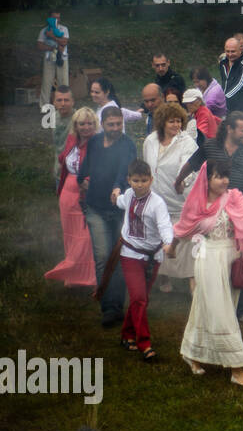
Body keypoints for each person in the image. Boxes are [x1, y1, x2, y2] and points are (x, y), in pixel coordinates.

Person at [169, 160, 243, 386]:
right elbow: (183, 227)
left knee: (206, 307)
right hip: (208, 259)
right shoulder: (196, 201)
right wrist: (171, 247)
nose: (224, 181)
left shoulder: (233, 196)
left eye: (226, 176)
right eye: (219, 176)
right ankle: (237, 369)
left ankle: (192, 352)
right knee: (223, 312)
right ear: (206, 179)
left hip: (231, 258)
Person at [176, 111, 243, 324]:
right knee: (218, 259)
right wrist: (178, 180)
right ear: (229, 129)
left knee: (241, 261)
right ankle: (217, 304)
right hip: (215, 213)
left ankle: (242, 308)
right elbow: (193, 162)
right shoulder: (210, 147)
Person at [109, 160, 174, 362]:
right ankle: (144, 343)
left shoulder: (157, 203)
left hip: (153, 257)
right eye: (135, 181)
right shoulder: (128, 195)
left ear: (151, 180)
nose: (139, 185)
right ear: (129, 180)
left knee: (141, 298)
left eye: (144, 181)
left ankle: (127, 335)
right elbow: (119, 200)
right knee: (139, 298)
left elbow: (165, 226)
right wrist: (115, 196)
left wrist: (168, 242)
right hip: (129, 253)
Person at [80, 105, 137, 325]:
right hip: (95, 207)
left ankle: (115, 306)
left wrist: (117, 187)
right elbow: (87, 166)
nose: (115, 128)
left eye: (119, 124)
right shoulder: (94, 142)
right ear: (102, 125)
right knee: (102, 256)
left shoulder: (127, 145)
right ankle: (108, 306)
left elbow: (125, 169)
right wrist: (82, 179)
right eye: (111, 125)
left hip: (118, 209)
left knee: (118, 257)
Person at [142, 102, 198, 293]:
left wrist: (183, 181)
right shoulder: (150, 141)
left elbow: (188, 165)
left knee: (185, 241)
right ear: (161, 122)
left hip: (179, 201)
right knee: (159, 240)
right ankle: (163, 277)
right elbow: (147, 168)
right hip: (156, 200)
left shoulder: (187, 142)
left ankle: (193, 283)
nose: (176, 125)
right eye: (171, 121)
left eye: (178, 121)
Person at [46, 107, 98, 289]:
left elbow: (101, 167)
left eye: (89, 123)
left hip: (88, 193)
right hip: (68, 192)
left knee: (87, 237)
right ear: (75, 125)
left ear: (95, 125)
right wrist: (64, 159)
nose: (86, 127)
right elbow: (63, 159)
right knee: (70, 236)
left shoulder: (98, 142)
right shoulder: (71, 139)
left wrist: (90, 180)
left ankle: (89, 276)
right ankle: (72, 276)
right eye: (82, 123)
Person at [38, 10, 70, 103]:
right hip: (49, 58)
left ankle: (64, 104)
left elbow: (64, 42)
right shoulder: (44, 30)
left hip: (62, 58)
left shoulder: (64, 29)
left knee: (63, 82)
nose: (57, 19)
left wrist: (52, 36)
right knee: (46, 82)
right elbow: (39, 45)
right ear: (49, 18)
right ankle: (44, 105)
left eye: (58, 17)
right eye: (54, 18)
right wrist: (53, 48)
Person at [218, 38, 243, 114]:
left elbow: (240, 84)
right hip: (226, 108)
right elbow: (224, 84)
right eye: (227, 51)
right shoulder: (222, 63)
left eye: (233, 51)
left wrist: (224, 99)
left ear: (240, 50)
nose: (230, 54)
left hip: (242, 108)